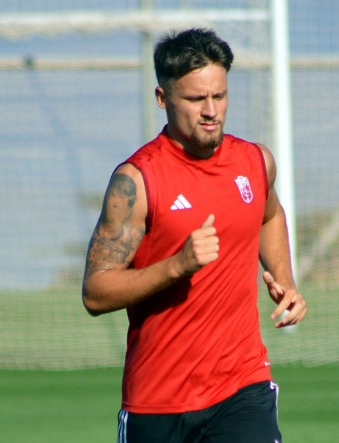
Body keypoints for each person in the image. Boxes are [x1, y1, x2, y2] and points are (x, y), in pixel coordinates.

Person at [82, 27, 306, 443]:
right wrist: (176, 266)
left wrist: (285, 278)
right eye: (195, 98)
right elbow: (95, 293)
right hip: (158, 402)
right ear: (162, 98)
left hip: (242, 386)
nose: (210, 110)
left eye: (219, 96)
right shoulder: (137, 181)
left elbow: (269, 215)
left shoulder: (255, 162)